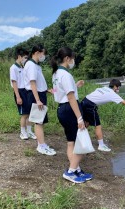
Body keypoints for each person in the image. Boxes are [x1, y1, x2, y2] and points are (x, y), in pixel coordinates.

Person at [51, 47, 93, 183]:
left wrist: (75, 86)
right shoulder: (66, 75)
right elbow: (71, 97)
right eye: (73, 58)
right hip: (70, 109)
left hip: (62, 109)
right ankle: (70, 171)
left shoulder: (56, 73)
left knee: (71, 142)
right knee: (81, 142)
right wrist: (79, 117)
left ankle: (76, 169)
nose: (73, 61)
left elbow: (62, 92)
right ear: (67, 59)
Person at [81, 79, 125, 152]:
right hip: (90, 106)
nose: (118, 89)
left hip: (84, 101)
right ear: (115, 86)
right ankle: (101, 145)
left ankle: (80, 139)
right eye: (118, 87)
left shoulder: (103, 88)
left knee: (87, 122)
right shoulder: (112, 94)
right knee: (98, 126)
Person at [23, 44, 56, 156]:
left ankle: (41, 144)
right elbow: (32, 83)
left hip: (40, 94)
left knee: (40, 121)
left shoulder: (36, 65)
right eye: (43, 53)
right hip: (35, 95)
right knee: (38, 121)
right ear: (37, 52)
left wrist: (46, 90)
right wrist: (37, 99)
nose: (44, 56)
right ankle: (41, 146)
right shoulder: (31, 65)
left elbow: (38, 83)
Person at [9, 48, 36, 140]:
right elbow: (14, 83)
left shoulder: (23, 67)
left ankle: (29, 131)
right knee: (24, 114)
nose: (26, 59)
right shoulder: (13, 68)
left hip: (27, 91)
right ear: (19, 56)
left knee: (30, 113)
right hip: (20, 92)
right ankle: (23, 132)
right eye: (24, 57)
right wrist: (18, 97)